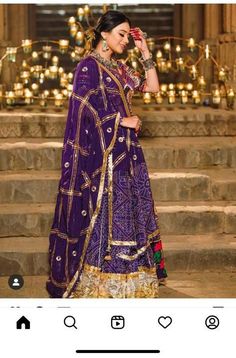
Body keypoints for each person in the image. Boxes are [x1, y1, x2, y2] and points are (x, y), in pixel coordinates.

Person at [46, 10, 167, 298]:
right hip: (104, 158)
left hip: (128, 154)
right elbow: (83, 110)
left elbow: (152, 86)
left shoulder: (121, 69)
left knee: (130, 212)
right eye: (121, 34)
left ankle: (133, 277)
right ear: (104, 34)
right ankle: (98, 279)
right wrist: (120, 120)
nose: (125, 40)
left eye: (128, 35)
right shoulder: (87, 68)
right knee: (105, 216)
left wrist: (145, 51)